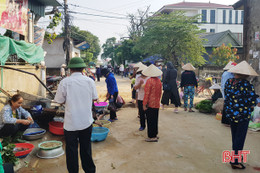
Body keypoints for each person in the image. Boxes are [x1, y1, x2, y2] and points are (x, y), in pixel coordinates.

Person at [54, 57, 99, 173]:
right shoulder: (90, 81)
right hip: (86, 121)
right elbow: (95, 98)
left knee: (71, 151)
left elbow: (59, 100)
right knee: (86, 148)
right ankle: (89, 170)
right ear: (83, 68)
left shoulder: (65, 82)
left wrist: (69, 101)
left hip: (71, 123)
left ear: (70, 70)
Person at [224, 61, 258, 169]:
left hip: (231, 114)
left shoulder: (229, 82)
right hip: (243, 116)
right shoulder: (247, 85)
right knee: (240, 137)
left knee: (235, 136)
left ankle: (236, 156)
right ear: (246, 74)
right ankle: (235, 161)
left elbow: (227, 96)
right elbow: (252, 101)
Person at [142, 64, 162, 142]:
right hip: (156, 103)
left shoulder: (149, 81)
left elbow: (147, 94)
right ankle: (155, 134)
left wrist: (144, 104)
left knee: (150, 120)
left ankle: (151, 136)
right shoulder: (159, 81)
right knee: (155, 119)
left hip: (150, 103)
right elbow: (160, 93)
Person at [134, 64, 149, 131]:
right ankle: (142, 125)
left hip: (148, 98)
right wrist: (140, 84)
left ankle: (149, 126)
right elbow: (135, 88)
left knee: (148, 113)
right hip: (141, 97)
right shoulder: (138, 78)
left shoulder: (149, 78)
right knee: (141, 112)